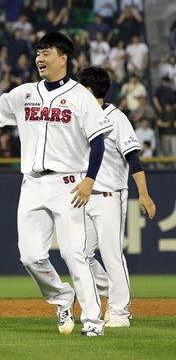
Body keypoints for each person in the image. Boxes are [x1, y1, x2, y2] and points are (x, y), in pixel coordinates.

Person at [0, 32, 112, 337]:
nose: (40, 58)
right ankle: (62, 297)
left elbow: (98, 141)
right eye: (38, 52)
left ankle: (93, 322)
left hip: (69, 184)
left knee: (74, 254)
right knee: (30, 255)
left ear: (63, 58)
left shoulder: (81, 97)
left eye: (47, 52)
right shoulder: (24, 93)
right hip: (32, 184)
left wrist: (90, 180)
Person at [76, 66, 156, 328]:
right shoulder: (79, 117)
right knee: (79, 253)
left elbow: (133, 158)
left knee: (111, 254)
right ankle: (112, 291)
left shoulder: (116, 117)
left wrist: (143, 194)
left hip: (111, 195)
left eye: (79, 86)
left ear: (88, 90)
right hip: (85, 197)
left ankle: (120, 313)